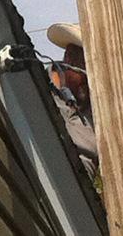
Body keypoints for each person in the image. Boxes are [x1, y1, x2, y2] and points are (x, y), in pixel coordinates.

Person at [47, 22, 98, 179]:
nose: (93, 81)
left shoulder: (99, 123)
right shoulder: (30, 86)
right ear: (69, 57)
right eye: (87, 69)